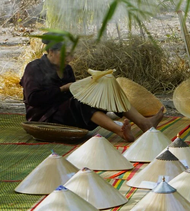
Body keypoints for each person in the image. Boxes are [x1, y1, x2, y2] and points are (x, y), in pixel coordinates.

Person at [20, 34, 164, 142]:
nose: (69, 59)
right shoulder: (34, 68)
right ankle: (120, 131)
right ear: (51, 51)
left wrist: (90, 88)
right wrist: (63, 89)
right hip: (45, 116)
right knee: (82, 103)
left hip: (66, 112)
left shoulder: (67, 69)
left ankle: (144, 123)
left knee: (107, 89)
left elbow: (73, 95)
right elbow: (33, 99)